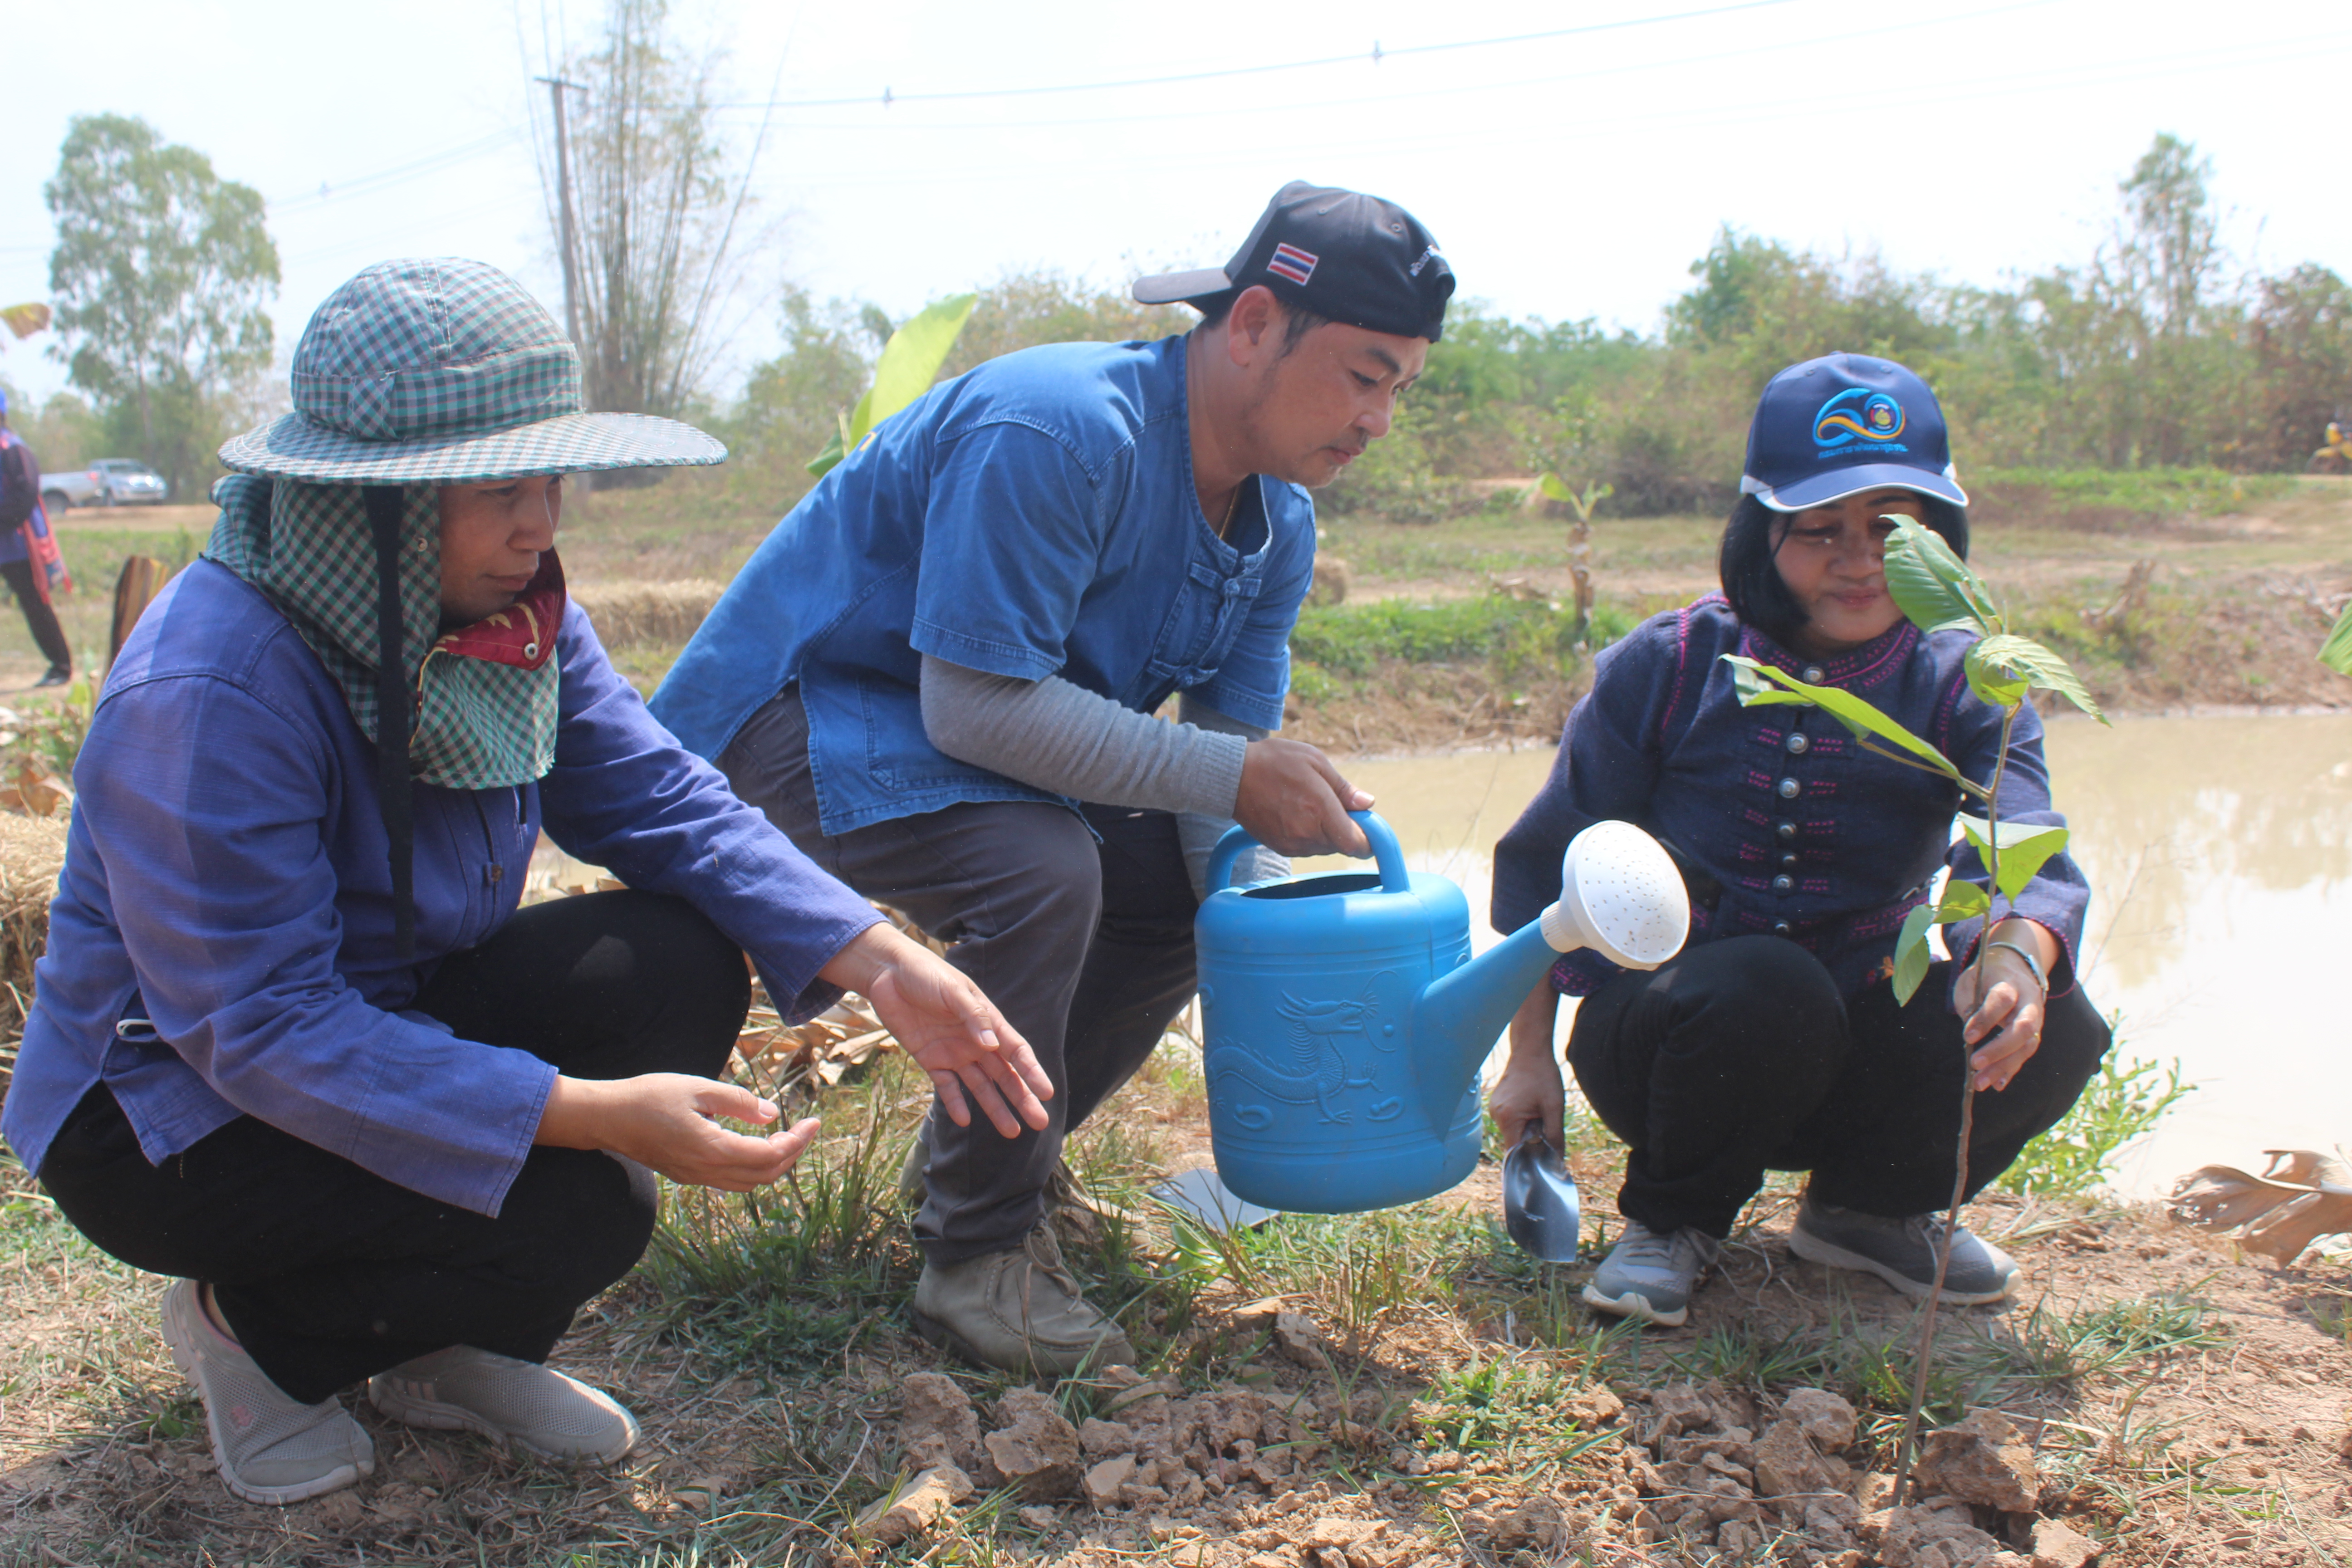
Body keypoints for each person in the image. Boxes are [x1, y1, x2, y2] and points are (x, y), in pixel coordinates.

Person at [2, 259, 1053, 1507]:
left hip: (387, 1012)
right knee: (583, 1211)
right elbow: (261, 1026)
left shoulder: (505, 619)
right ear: (373, 505)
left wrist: (882, 957)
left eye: (547, 479)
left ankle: (430, 1337)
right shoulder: (216, 686)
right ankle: (258, 1335)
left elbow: (659, 798)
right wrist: (589, 1115)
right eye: (499, 489)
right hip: (173, 1110)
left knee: (674, 962)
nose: (539, 523)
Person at [649, 181, 1455, 1373]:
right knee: (1044, 866)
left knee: (1182, 886)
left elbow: (1212, 773)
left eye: (1402, 388)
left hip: (951, 737)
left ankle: (985, 1168)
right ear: (1249, 329)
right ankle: (978, 1258)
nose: (1380, 417)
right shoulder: (1061, 430)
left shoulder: (1277, 527)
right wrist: (1233, 777)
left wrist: (1263, 940)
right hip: (790, 718)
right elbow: (973, 700)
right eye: (1363, 373)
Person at [1485, 353, 2112, 1327]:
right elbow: (1543, 868)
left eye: (1896, 532)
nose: (1861, 560)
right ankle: (1672, 1221)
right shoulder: (1672, 664)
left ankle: (1870, 1209)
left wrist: (2019, 962)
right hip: (1674, 1036)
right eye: (1822, 531)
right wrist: (1528, 1058)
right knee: (1766, 986)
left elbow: (2019, 849)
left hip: (1863, 1034)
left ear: (1942, 545)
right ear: (1760, 536)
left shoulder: (1971, 684)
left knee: (2064, 1021)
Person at [0, 389, 76, 686]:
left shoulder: (13, 449)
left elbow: (25, 495)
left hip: (17, 546)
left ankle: (61, 666)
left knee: (34, 603)